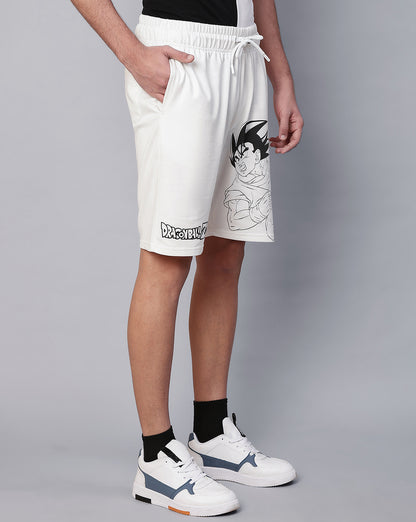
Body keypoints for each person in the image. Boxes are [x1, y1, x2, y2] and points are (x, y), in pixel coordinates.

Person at [70, 0, 303, 516]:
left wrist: (280, 75)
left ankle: (212, 432)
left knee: (226, 252)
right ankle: (156, 457)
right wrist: (133, 54)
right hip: (182, 59)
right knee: (168, 257)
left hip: (243, 58)